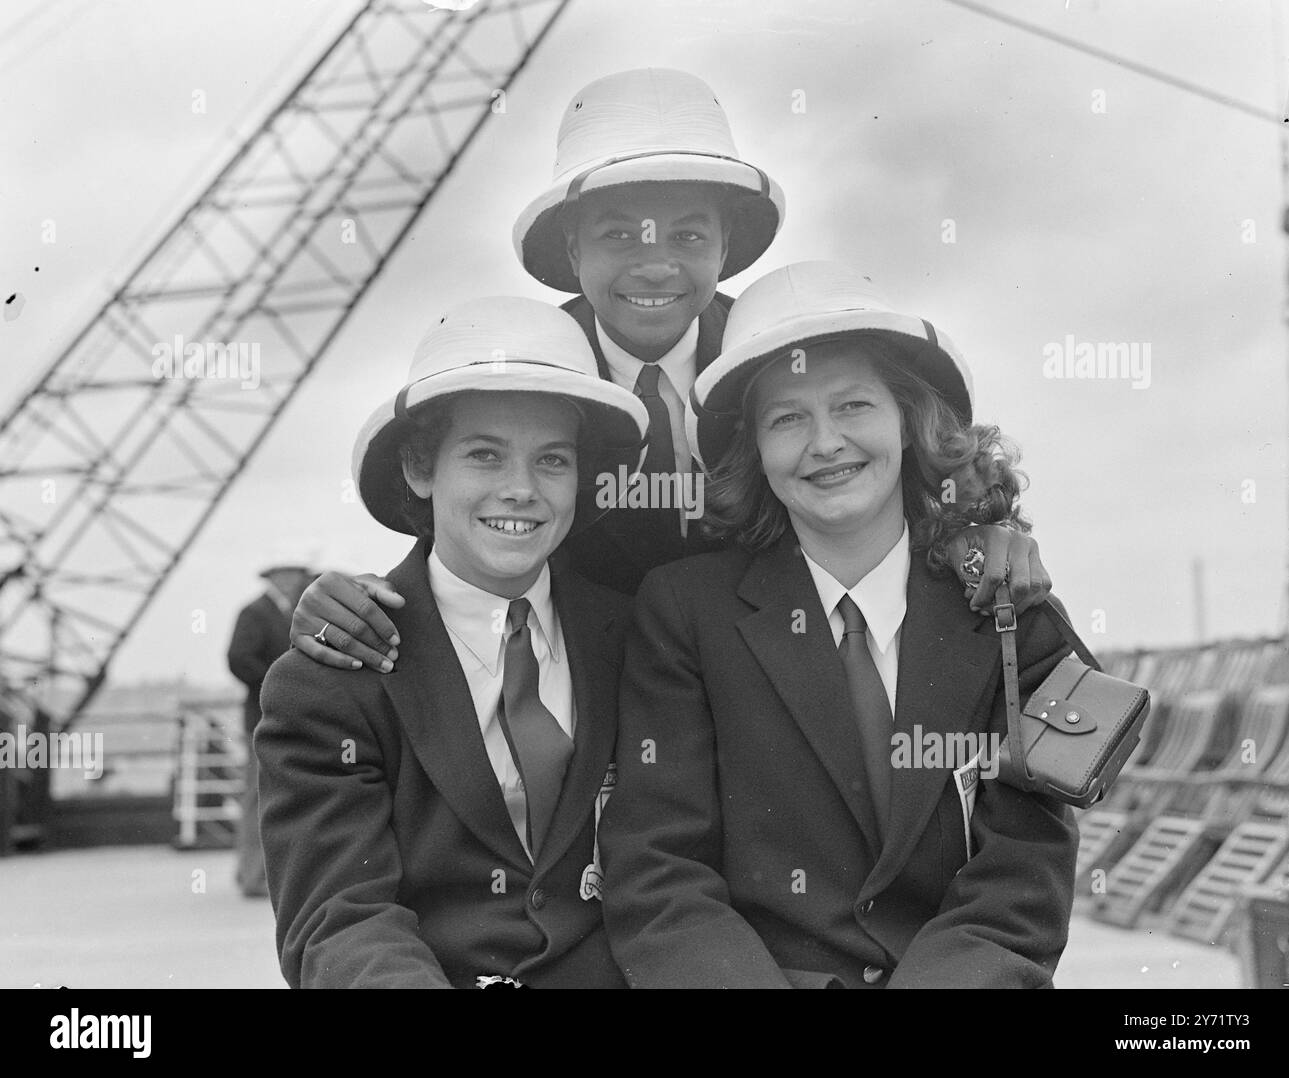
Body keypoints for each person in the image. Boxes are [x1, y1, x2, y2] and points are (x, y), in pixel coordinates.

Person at [287, 69, 1051, 673]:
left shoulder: (777, 359)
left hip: (776, 686)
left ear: (727, 247)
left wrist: (984, 533)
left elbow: (894, 461)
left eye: (688, 234)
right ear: (572, 251)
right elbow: (480, 505)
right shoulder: (525, 371)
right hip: (587, 689)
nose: (655, 263)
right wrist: (361, 604)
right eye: (619, 235)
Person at [598, 262, 1079, 989]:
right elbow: (659, 870)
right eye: (788, 418)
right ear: (753, 451)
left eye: (853, 406)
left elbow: (1023, 875)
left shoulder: (1011, 614)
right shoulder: (685, 614)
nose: (825, 443)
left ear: (911, 424)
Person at [255, 297, 647, 988]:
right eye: (485, 456)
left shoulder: (641, 640)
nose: (521, 489)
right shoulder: (331, 678)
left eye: (552, 459)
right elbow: (340, 917)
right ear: (419, 468)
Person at [226, 560, 313, 897]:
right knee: (257, 795)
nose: (293, 579)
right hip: (263, 718)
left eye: (296, 573)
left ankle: (258, 872)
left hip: (288, 717)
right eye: (287, 573)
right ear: (273, 577)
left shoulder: (292, 610)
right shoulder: (254, 613)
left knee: (271, 796)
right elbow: (238, 658)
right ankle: (252, 875)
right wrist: (278, 684)